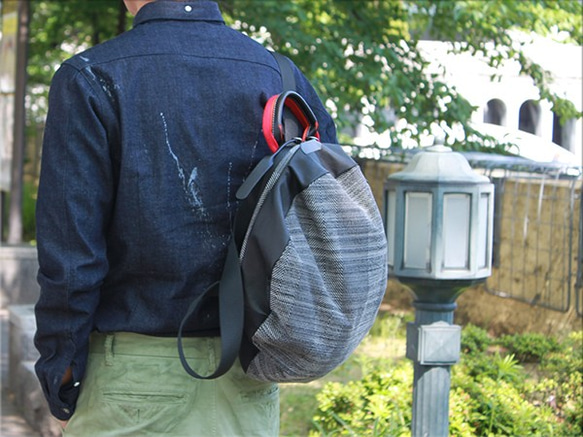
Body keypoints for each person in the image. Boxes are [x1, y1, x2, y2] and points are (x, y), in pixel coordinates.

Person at [33, 0, 337, 435]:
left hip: (130, 386)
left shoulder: (91, 77)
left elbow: (70, 259)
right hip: (247, 383)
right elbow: (324, 225)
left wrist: (60, 376)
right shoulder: (280, 77)